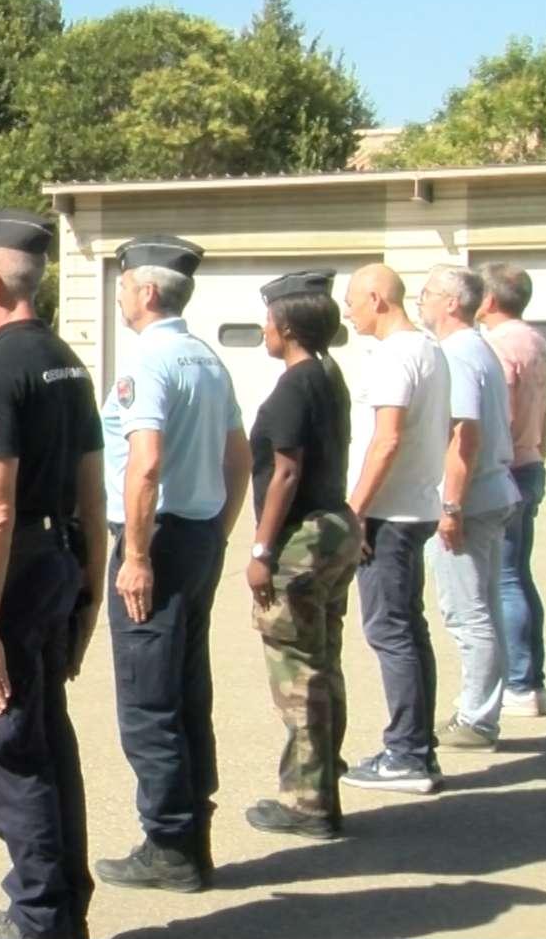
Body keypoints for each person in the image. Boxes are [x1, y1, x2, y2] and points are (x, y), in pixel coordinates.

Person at [0, 209, 108, 939]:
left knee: (10, 746)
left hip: (8, 580)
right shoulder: (67, 362)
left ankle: (40, 918)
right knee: (47, 736)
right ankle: (62, 901)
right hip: (59, 564)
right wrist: (89, 595)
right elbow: (94, 493)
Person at [94, 235, 251, 895]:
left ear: (147, 290)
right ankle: (193, 830)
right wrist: (218, 527)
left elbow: (145, 461)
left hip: (154, 543)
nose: (120, 291)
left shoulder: (149, 360)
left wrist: (134, 554)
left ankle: (169, 843)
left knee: (149, 700)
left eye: (124, 281)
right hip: (197, 537)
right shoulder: (207, 359)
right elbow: (238, 455)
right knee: (187, 691)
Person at [241, 271, 361, 841]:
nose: (264, 329)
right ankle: (323, 780)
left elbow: (285, 470)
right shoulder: (327, 375)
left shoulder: (294, 385)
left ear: (286, 326)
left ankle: (308, 800)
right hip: (336, 526)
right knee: (324, 661)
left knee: (298, 673)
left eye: (268, 319)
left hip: (304, 536)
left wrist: (262, 549)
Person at [338, 264, 451, 796]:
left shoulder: (396, 356)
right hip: (414, 507)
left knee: (391, 632)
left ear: (379, 299)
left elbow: (386, 441)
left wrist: (355, 511)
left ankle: (407, 754)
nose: (347, 312)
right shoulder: (428, 349)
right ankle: (416, 747)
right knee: (409, 629)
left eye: (353, 301)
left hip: (390, 515)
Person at [416, 265, 520, 752]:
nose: (422, 301)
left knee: (467, 612)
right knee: (486, 608)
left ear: (452, 303)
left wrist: (450, 505)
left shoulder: (457, 355)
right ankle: (483, 711)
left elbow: (464, 435)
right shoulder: (479, 349)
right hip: (493, 492)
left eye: (429, 293)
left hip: (471, 499)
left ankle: (476, 718)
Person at [477, 262, 546, 717]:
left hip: (507, 468)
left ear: (488, 300)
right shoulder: (536, 342)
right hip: (531, 463)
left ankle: (521, 683)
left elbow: (498, 417)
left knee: (503, 579)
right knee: (518, 575)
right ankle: (532, 680)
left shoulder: (500, 346)